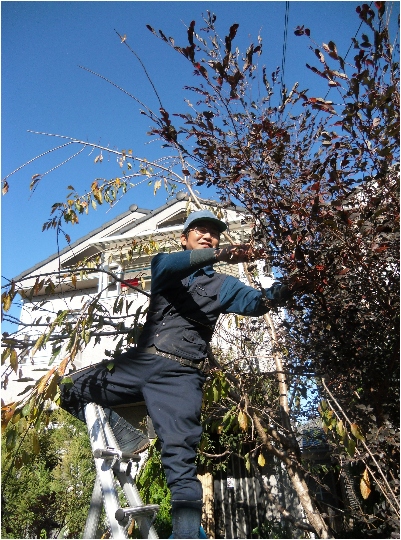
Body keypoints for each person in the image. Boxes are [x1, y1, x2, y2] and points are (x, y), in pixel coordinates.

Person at [60, 209, 291, 538]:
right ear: (184, 239)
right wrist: (229, 252)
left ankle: (185, 535)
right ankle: (125, 433)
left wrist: (291, 285)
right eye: (199, 230)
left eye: (214, 232)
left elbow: (258, 302)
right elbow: (170, 264)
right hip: (142, 361)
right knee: (70, 386)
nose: (208, 235)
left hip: (181, 376)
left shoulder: (225, 285)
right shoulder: (166, 265)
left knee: (180, 460)